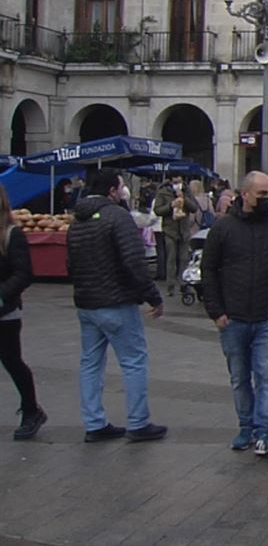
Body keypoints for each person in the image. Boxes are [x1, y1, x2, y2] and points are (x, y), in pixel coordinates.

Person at [203, 171, 268, 456]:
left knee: (267, 376)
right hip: (232, 317)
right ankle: (246, 427)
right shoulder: (224, 228)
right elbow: (208, 269)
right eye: (262, 194)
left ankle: (265, 432)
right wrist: (216, 310)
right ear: (245, 194)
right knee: (239, 377)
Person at [67, 168, 167, 443]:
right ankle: (138, 422)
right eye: (121, 187)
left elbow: (70, 264)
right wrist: (153, 296)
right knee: (134, 361)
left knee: (90, 362)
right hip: (115, 301)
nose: (123, 191)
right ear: (112, 190)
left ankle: (94, 422)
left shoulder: (78, 219)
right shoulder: (117, 217)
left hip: (86, 302)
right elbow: (133, 262)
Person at [0, 184, 45, 440]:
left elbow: (23, 274)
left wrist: (2, 294)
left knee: (13, 362)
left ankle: (31, 410)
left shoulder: (11, 234)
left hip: (5, 312)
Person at [153, 174, 197, 297]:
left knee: (183, 258)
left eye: (180, 181)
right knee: (171, 258)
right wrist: (170, 205)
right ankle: (170, 286)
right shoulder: (163, 192)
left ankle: (183, 284)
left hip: (184, 230)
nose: (178, 184)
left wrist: (184, 199)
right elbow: (157, 210)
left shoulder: (187, 191)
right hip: (169, 230)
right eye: (175, 182)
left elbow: (194, 208)